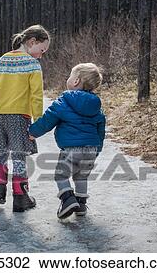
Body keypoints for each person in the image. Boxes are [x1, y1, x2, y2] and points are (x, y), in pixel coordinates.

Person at [29, 63, 106, 219]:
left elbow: (47, 120)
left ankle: (68, 200)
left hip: (71, 148)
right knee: (81, 176)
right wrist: (97, 149)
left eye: (70, 76)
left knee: (61, 175)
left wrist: (32, 133)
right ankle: (81, 205)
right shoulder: (96, 105)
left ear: (76, 81)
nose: (68, 79)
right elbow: (100, 128)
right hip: (91, 149)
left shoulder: (64, 100)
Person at [0, 24, 50, 212]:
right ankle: (20, 197)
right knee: (19, 156)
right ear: (32, 42)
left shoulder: (0, 61)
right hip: (18, 116)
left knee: (1, 153)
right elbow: (36, 96)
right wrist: (38, 122)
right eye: (41, 50)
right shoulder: (32, 64)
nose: (41, 54)